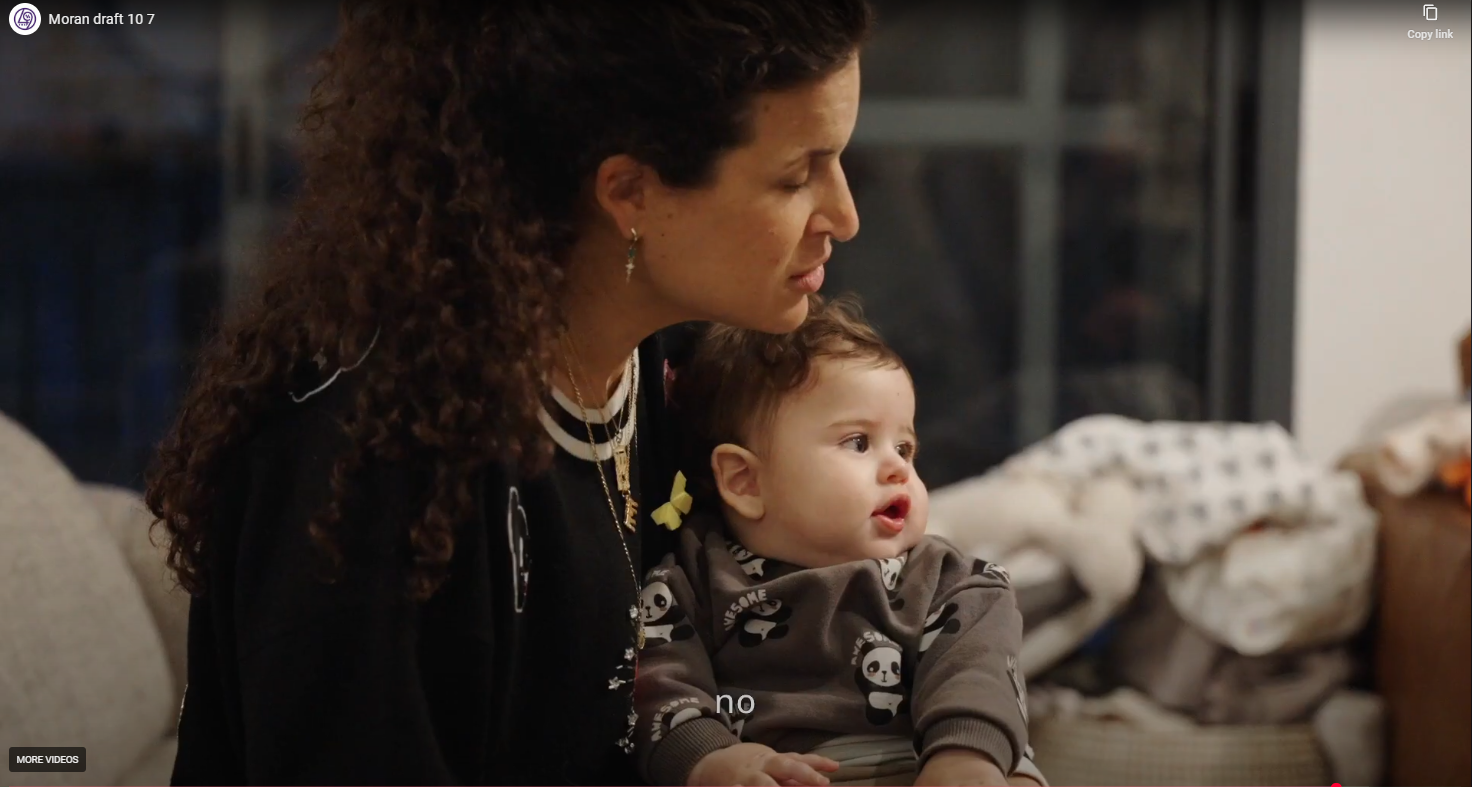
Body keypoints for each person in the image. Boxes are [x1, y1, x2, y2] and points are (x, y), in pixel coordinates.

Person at [144, 1, 867, 783]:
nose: (845, 216)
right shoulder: (362, 463)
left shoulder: (664, 366)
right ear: (629, 194)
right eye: (797, 176)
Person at [635, 295, 1046, 786]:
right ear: (745, 481)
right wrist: (711, 759)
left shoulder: (950, 581)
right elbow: (658, 686)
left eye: (905, 447)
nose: (899, 468)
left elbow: (976, 674)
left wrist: (965, 758)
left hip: (928, 759)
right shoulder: (693, 580)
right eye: (858, 442)